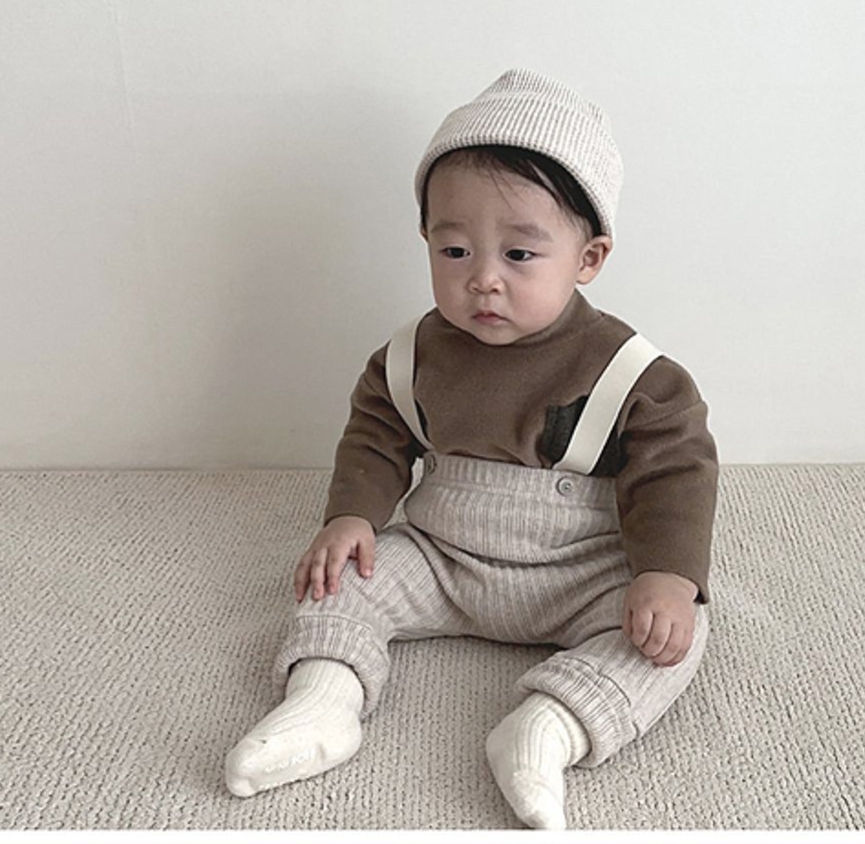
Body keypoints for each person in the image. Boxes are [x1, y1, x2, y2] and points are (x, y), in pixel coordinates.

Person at [224, 68, 717, 830]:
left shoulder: (632, 372)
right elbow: (377, 436)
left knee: (674, 636)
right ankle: (324, 699)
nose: (483, 280)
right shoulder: (411, 356)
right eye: (454, 250)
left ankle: (550, 727)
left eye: (519, 255)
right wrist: (353, 516)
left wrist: (667, 575)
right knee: (338, 577)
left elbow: (675, 473)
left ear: (588, 258)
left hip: (579, 572)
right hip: (443, 558)